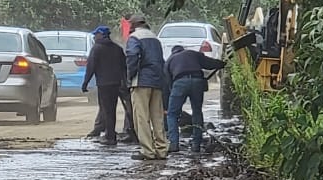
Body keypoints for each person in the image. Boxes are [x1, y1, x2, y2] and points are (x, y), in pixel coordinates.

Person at [124, 15, 170, 160]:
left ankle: (147, 151)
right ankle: (162, 150)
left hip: (141, 82)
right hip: (157, 81)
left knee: (141, 117)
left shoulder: (135, 37)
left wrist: (129, 76)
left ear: (133, 25)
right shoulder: (155, 38)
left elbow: (132, 56)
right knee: (157, 117)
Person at [165, 44, 226, 153]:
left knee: (172, 114)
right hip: (198, 81)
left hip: (179, 82)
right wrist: (222, 63)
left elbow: (168, 82)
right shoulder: (192, 54)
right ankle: (196, 144)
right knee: (197, 111)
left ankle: (174, 144)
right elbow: (209, 63)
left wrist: (171, 95)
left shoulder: (170, 60)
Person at [80, 26, 127, 146]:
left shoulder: (97, 49)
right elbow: (124, 67)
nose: (95, 37)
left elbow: (91, 67)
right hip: (116, 84)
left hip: (104, 84)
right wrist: (125, 82)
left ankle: (110, 137)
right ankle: (110, 133)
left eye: (96, 35)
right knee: (112, 109)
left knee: (107, 110)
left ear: (101, 35)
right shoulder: (117, 48)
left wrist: (85, 83)